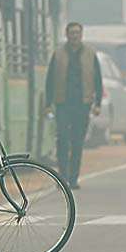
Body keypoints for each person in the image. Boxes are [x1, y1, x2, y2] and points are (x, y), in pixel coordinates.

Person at [44, 22, 104, 189]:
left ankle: (73, 178)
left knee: (77, 142)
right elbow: (50, 79)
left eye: (77, 32)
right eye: (72, 33)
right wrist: (48, 104)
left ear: (81, 34)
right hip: (62, 103)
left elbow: (98, 80)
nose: (75, 35)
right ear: (67, 34)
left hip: (82, 104)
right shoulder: (58, 54)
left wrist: (97, 103)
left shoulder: (90, 54)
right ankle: (62, 178)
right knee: (62, 139)